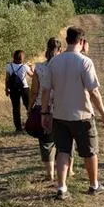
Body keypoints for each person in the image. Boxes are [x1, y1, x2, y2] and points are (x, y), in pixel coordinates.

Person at [40, 27, 104, 200]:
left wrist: (44, 113)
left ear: (67, 40)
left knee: (63, 151)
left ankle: (62, 188)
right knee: (90, 151)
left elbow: (46, 91)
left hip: (59, 115)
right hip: (82, 115)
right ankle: (94, 185)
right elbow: (93, 91)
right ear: (82, 41)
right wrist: (103, 113)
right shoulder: (85, 62)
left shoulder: (54, 62)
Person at [29, 37, 62, 180]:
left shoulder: (39, 68)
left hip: (43, 107)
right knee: (64, 139)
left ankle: (50, 174)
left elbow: (34, 91)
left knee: (46, 141)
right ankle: (67, 170)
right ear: (60, 50)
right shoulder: (64, 68)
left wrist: (30, 107)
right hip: (61, 106)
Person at [6, 50, 33, 132]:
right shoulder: (25, 66)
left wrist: (6, 89)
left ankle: (18, 128)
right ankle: (31, 124)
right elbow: (32, 75)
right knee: (29, 106)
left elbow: (7, 79)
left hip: (13, 89)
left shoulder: (9, 66)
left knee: (15, 108)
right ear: (22, 58)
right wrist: (31, 67)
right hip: (24, 88)